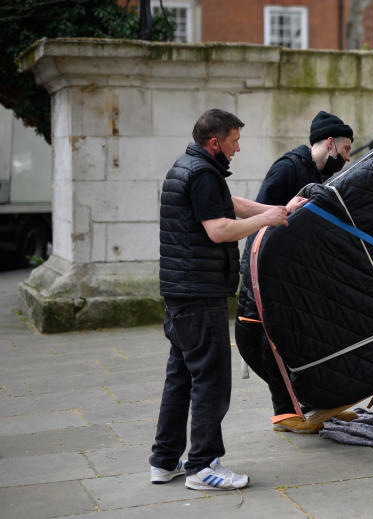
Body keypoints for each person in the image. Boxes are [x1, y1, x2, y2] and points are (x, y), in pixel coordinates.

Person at [149, 109, 307, 491]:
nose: (238, 148)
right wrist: (266, 221)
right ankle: (203, 467)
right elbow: (219, 229)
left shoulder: (188, 167)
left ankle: (164, 460)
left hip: (180, 293)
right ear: (214, 142)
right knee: (212, 382)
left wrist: (279, 209)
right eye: (234, 141)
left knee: (181, 378)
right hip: (200, 296)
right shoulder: (202, 172)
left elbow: (229, 203)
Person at [235, 111, 355, 434]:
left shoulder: (317, 175)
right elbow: (258, 217)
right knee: (265, 340)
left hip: (295, 276)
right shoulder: (288, 168)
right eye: (344, 150)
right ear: (329, 143)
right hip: (266, 277)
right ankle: (285, 412)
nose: (347, 157)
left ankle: (319, 403)